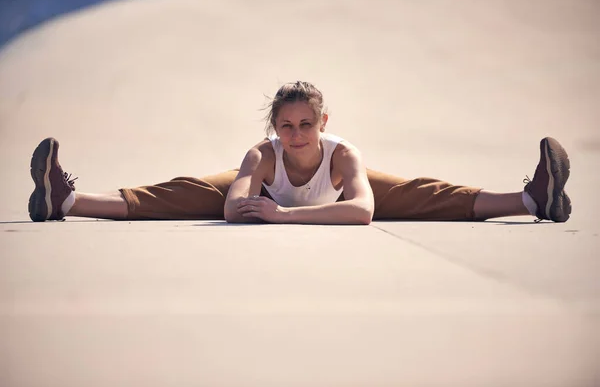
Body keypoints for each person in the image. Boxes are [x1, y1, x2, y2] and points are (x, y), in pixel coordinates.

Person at [27, 81, 571, 225]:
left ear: (323, 124)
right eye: (286, 126)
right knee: (181, 192)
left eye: (306, 124)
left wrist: (284, 214)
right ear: (273, 128)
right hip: (270, 189)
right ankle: (65, 202)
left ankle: (533, 199)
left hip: (303, 196)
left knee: (423, 195)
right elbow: (227, 207)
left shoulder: (343, 156)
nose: (296, 135)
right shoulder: (261, 156)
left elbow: (362, 211)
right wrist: (247, 197)